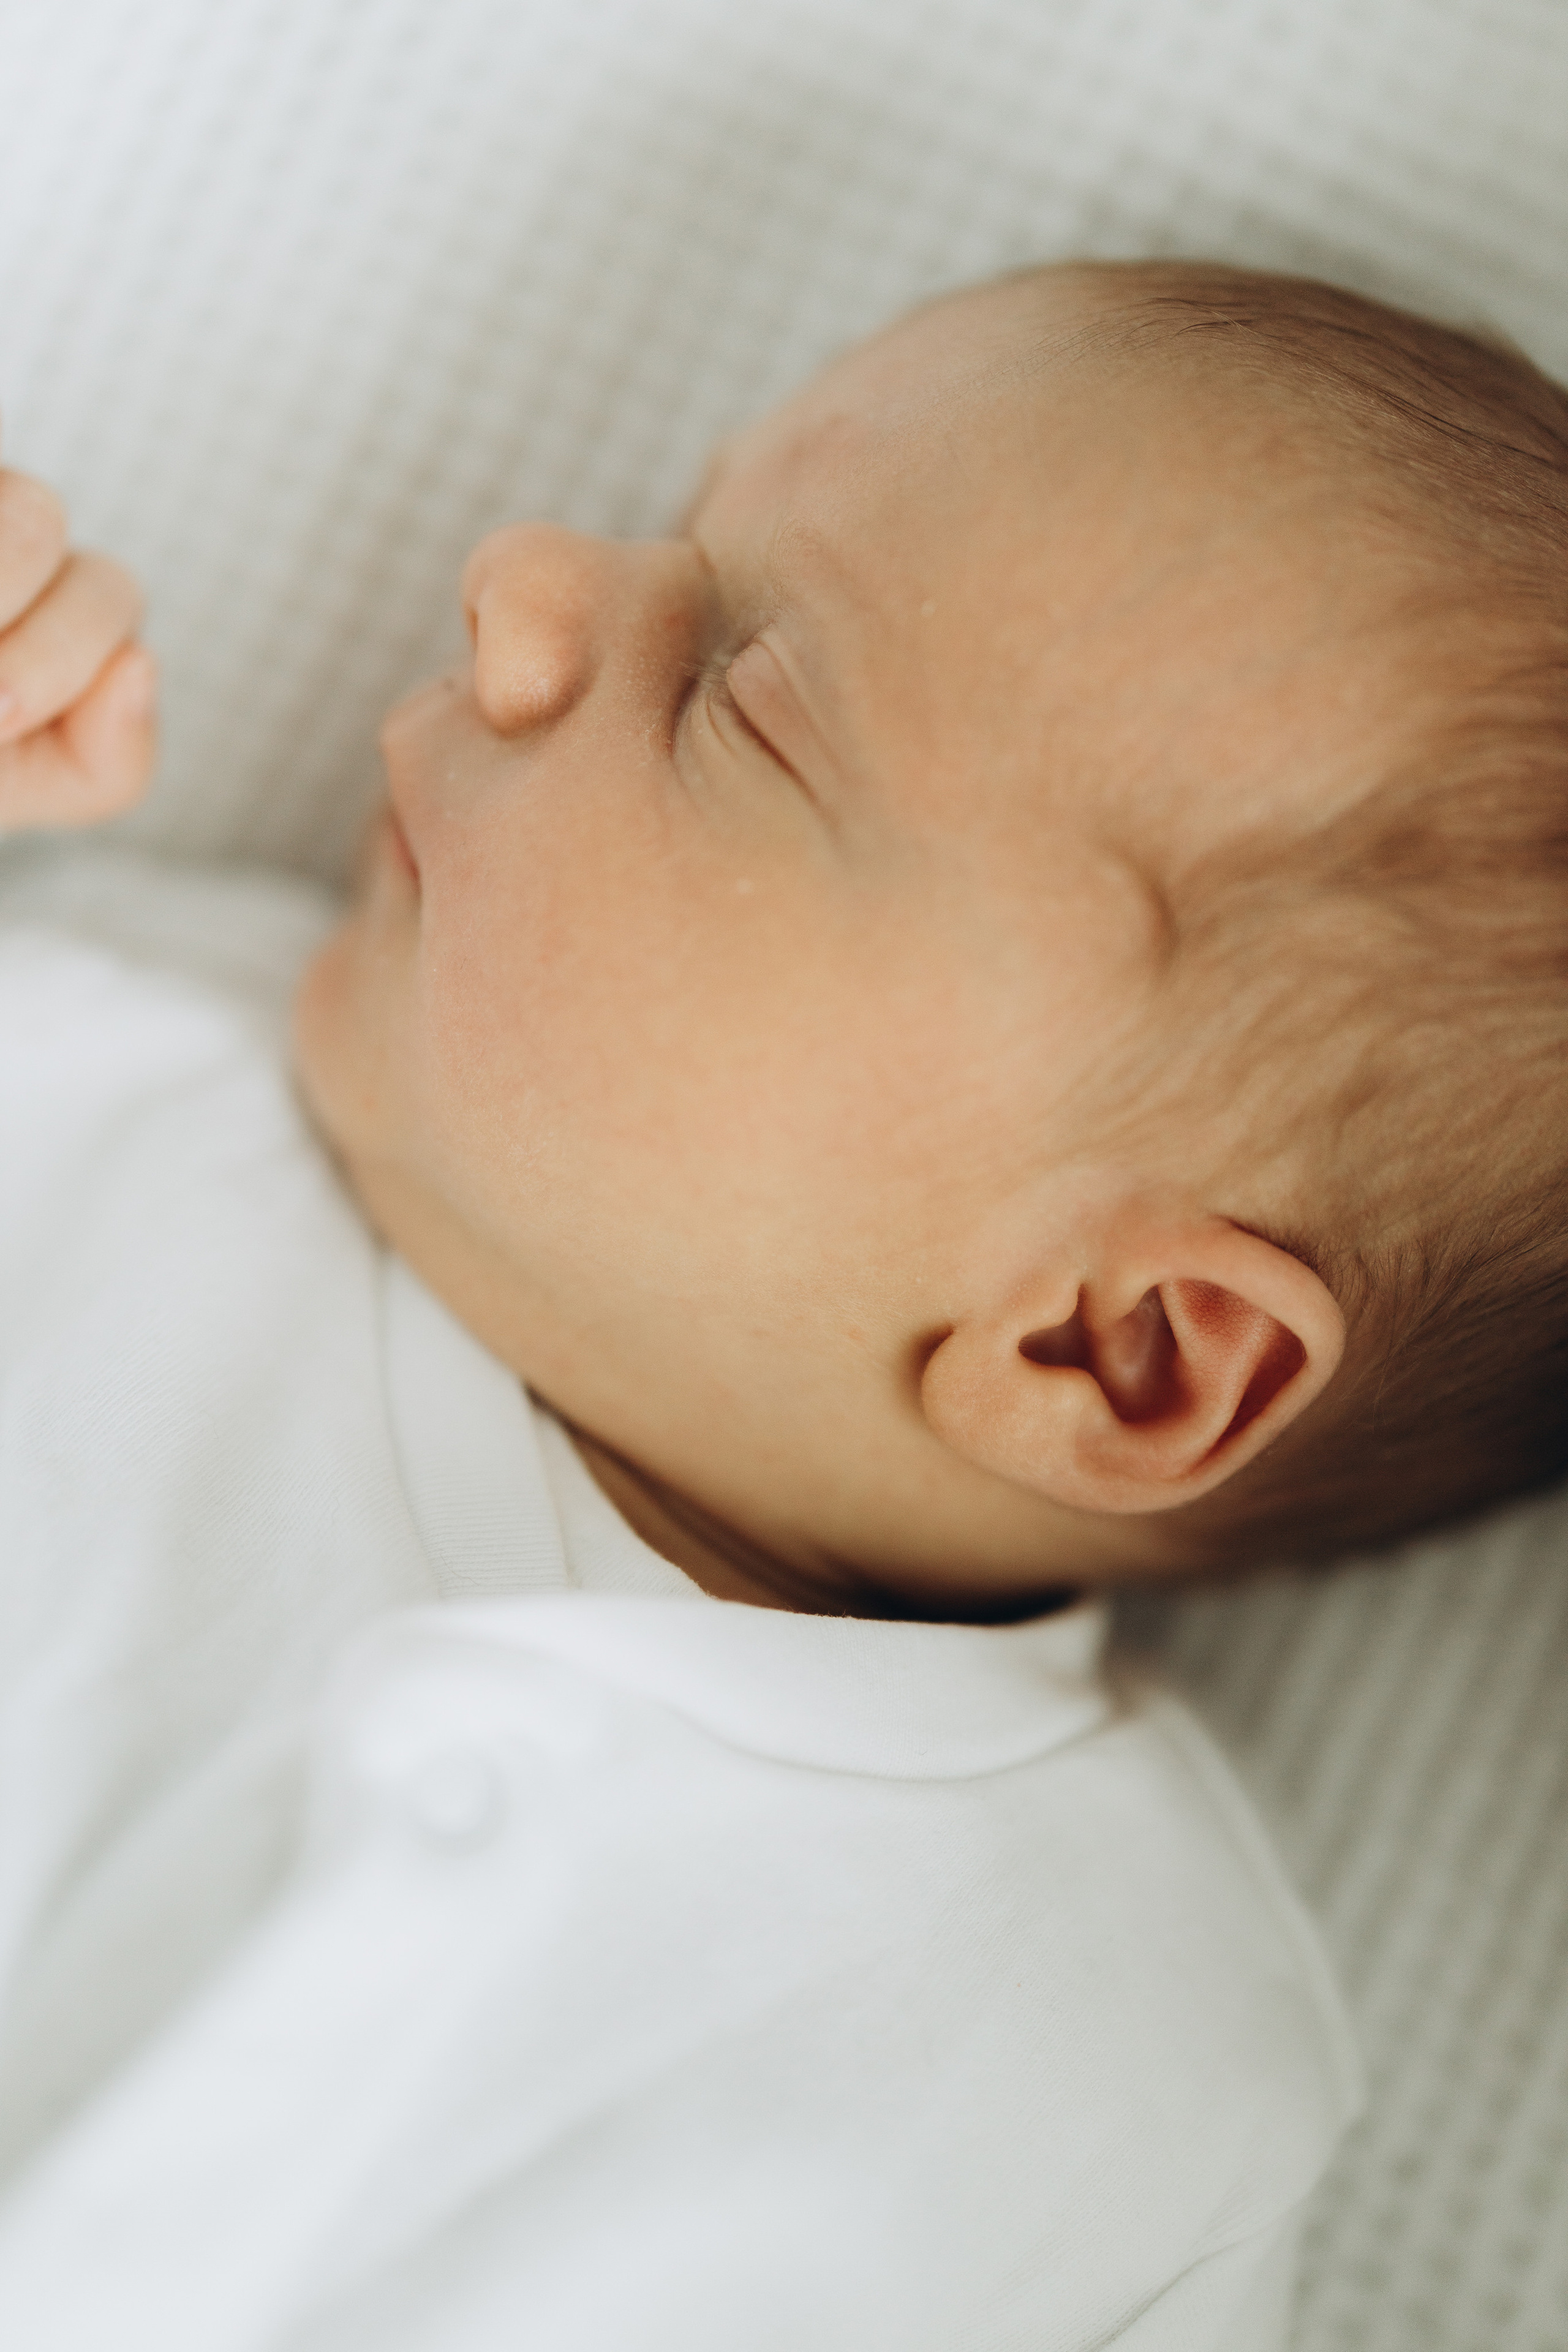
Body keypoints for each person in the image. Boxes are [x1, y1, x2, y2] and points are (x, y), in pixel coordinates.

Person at [0, 258, 1562, 2348]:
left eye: (744, 698)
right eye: (676, 526)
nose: (524, 579)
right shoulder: (99, 1051)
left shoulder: (1116, 2077)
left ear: (1119, 1349)